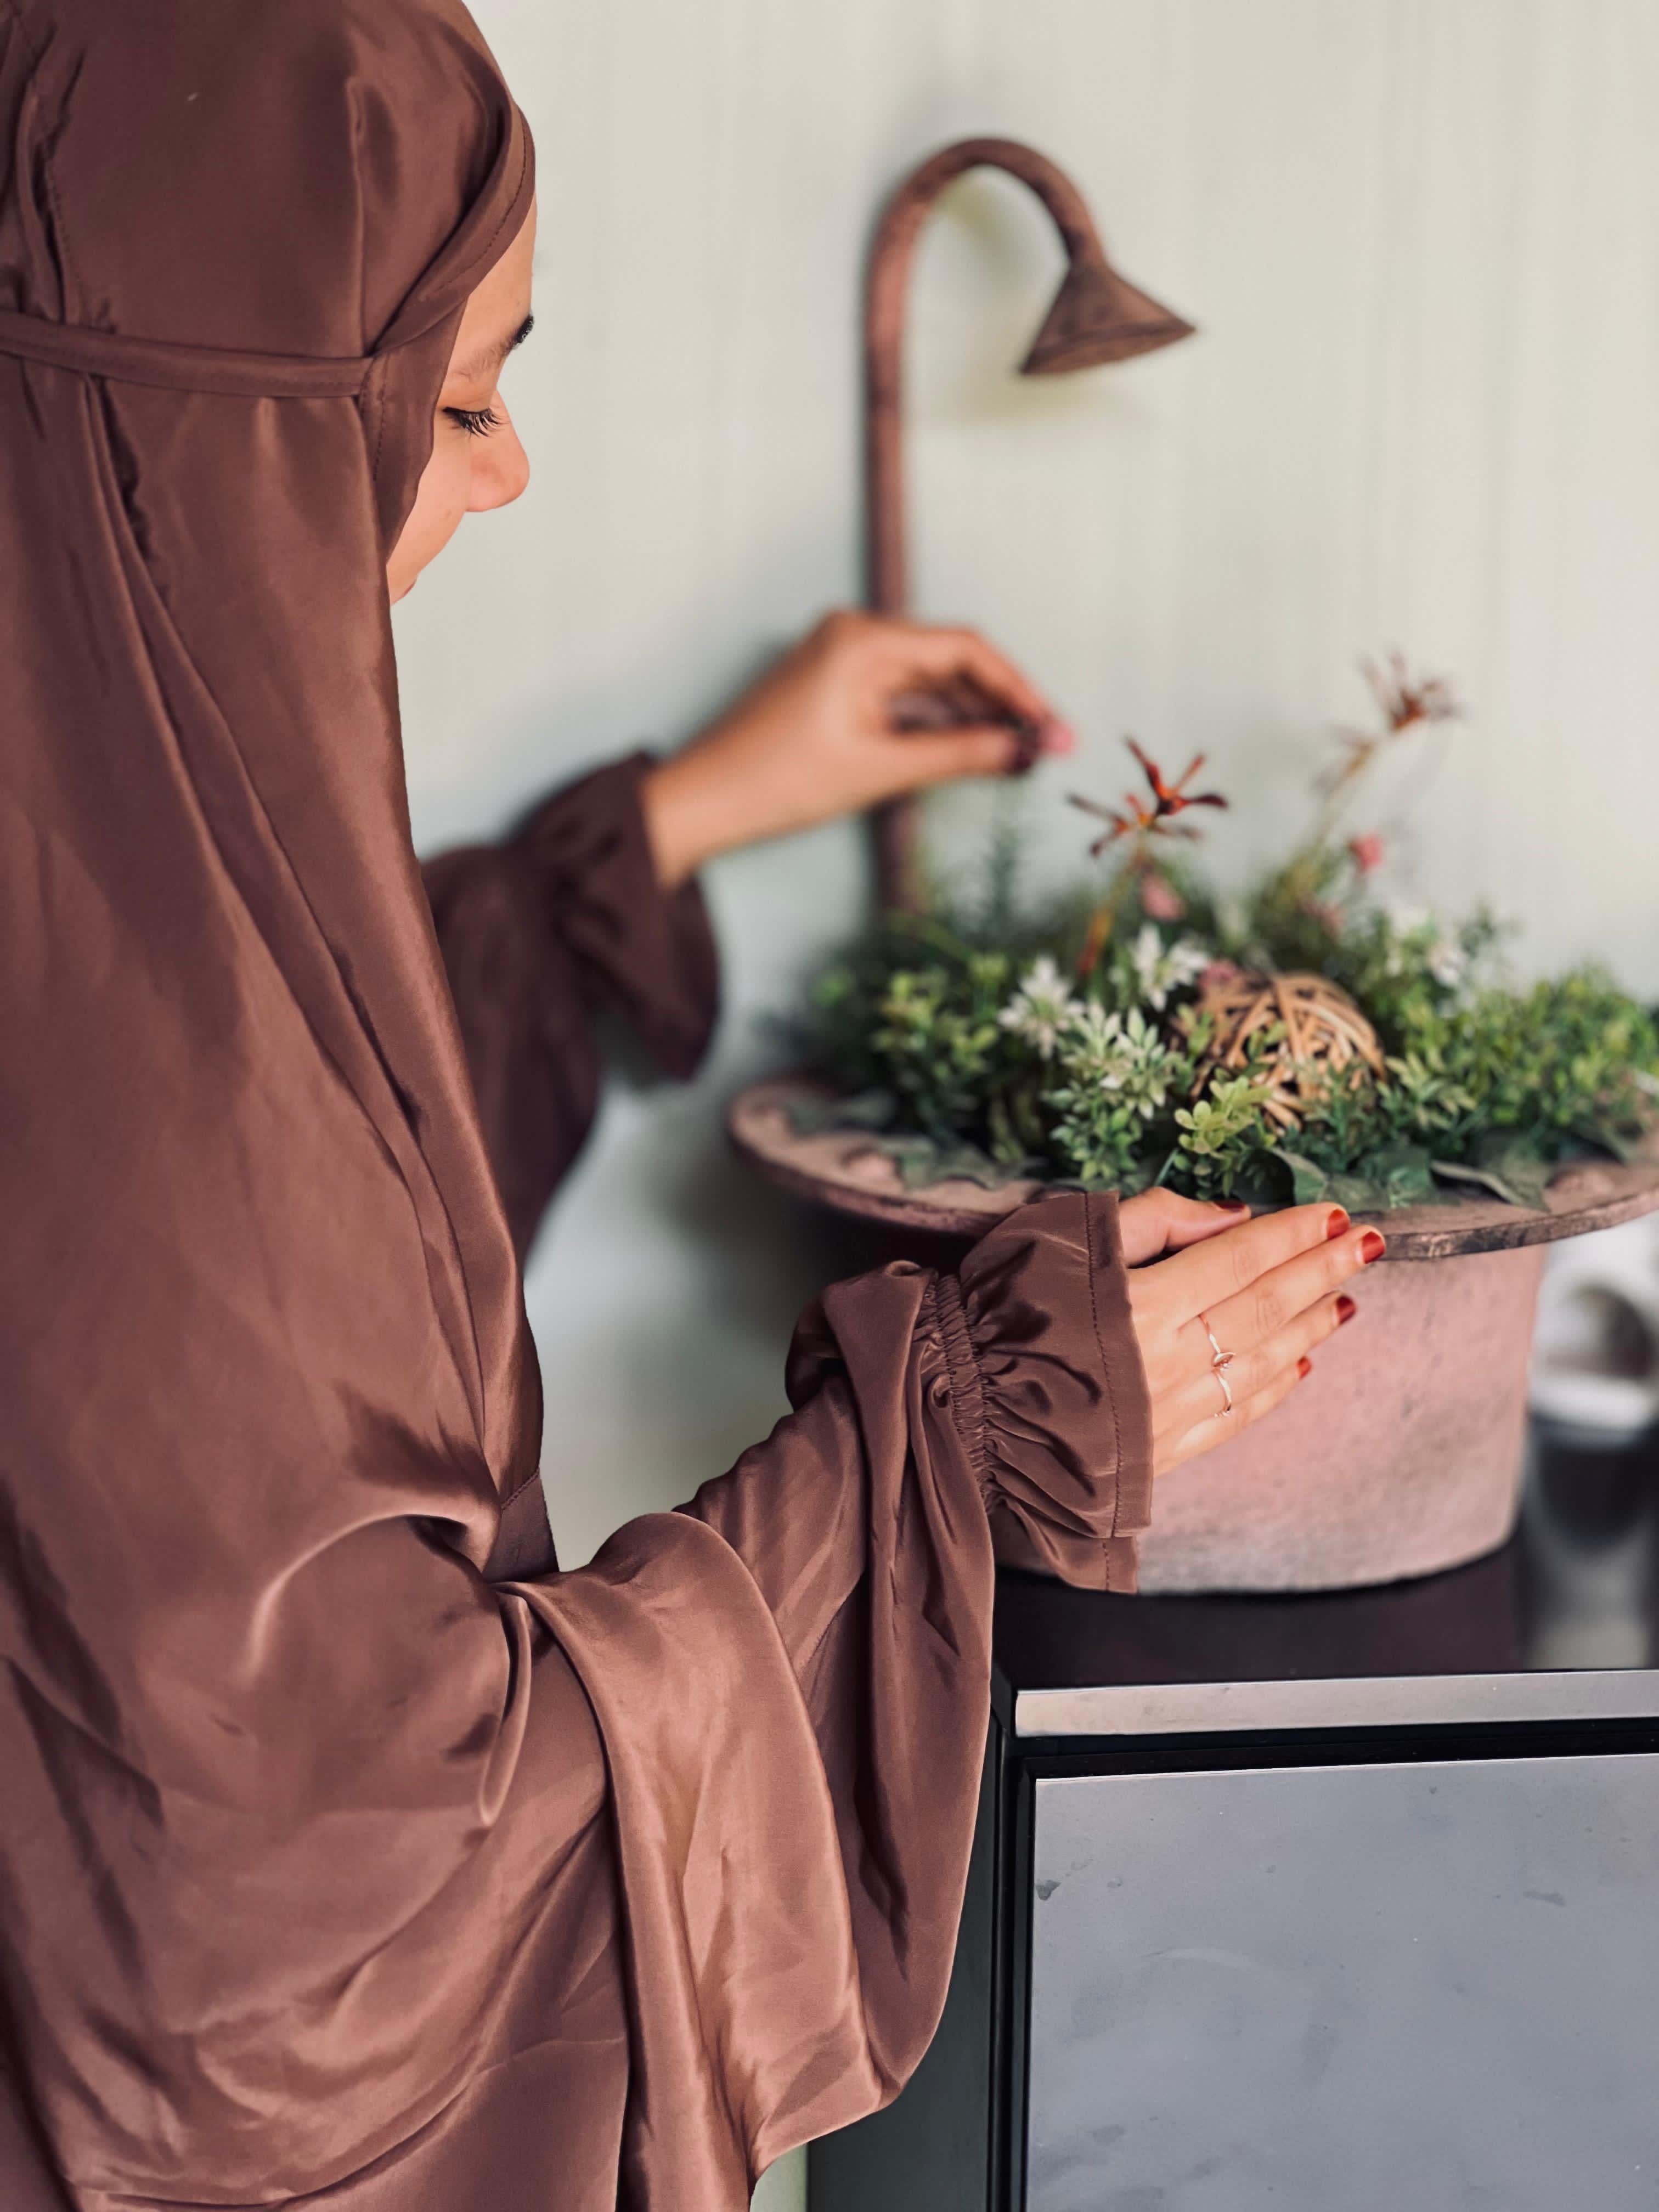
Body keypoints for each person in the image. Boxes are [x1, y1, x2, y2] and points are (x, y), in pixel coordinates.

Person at [0, 3, 1380, 2207]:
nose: (508, 465)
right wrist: (948, 1430)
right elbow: (305, 1967)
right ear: (226, 453)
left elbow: (267, 1079)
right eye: (452, 394)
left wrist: (690, 811)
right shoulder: (161, 1183)